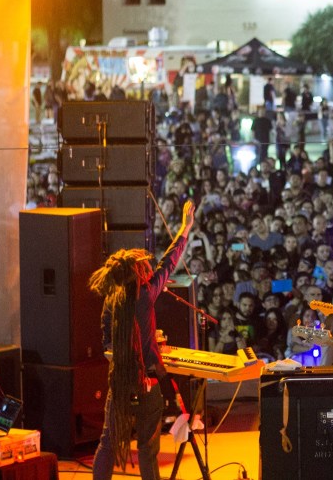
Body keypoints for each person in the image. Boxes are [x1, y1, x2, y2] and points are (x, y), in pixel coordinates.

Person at [89, 201, 195, 480]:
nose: (148, 270)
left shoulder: (111, 300)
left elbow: (107, 343)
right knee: (147, 448)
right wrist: (185, 229)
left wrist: (125, 353)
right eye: (144, 268)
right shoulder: (146, 295)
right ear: (138, 273)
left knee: (108, 442)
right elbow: (168, 263)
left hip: (119, 383)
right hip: (148, 384)